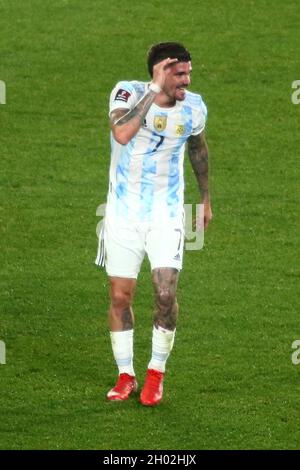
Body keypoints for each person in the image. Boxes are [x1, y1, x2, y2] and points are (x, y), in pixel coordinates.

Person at [95, 42, 212, 406]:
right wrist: (154, 91)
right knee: (120, 296)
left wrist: (206, 199)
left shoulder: (194, 106)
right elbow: (122, 133)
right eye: (179, 74)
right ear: (160, 71)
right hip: (123, 213)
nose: (187, 81)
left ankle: (155, 373)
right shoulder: (127, 92)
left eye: (189, 73)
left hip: (166, 213)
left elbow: (198, 148)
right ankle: (125, 373)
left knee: (165, 294)